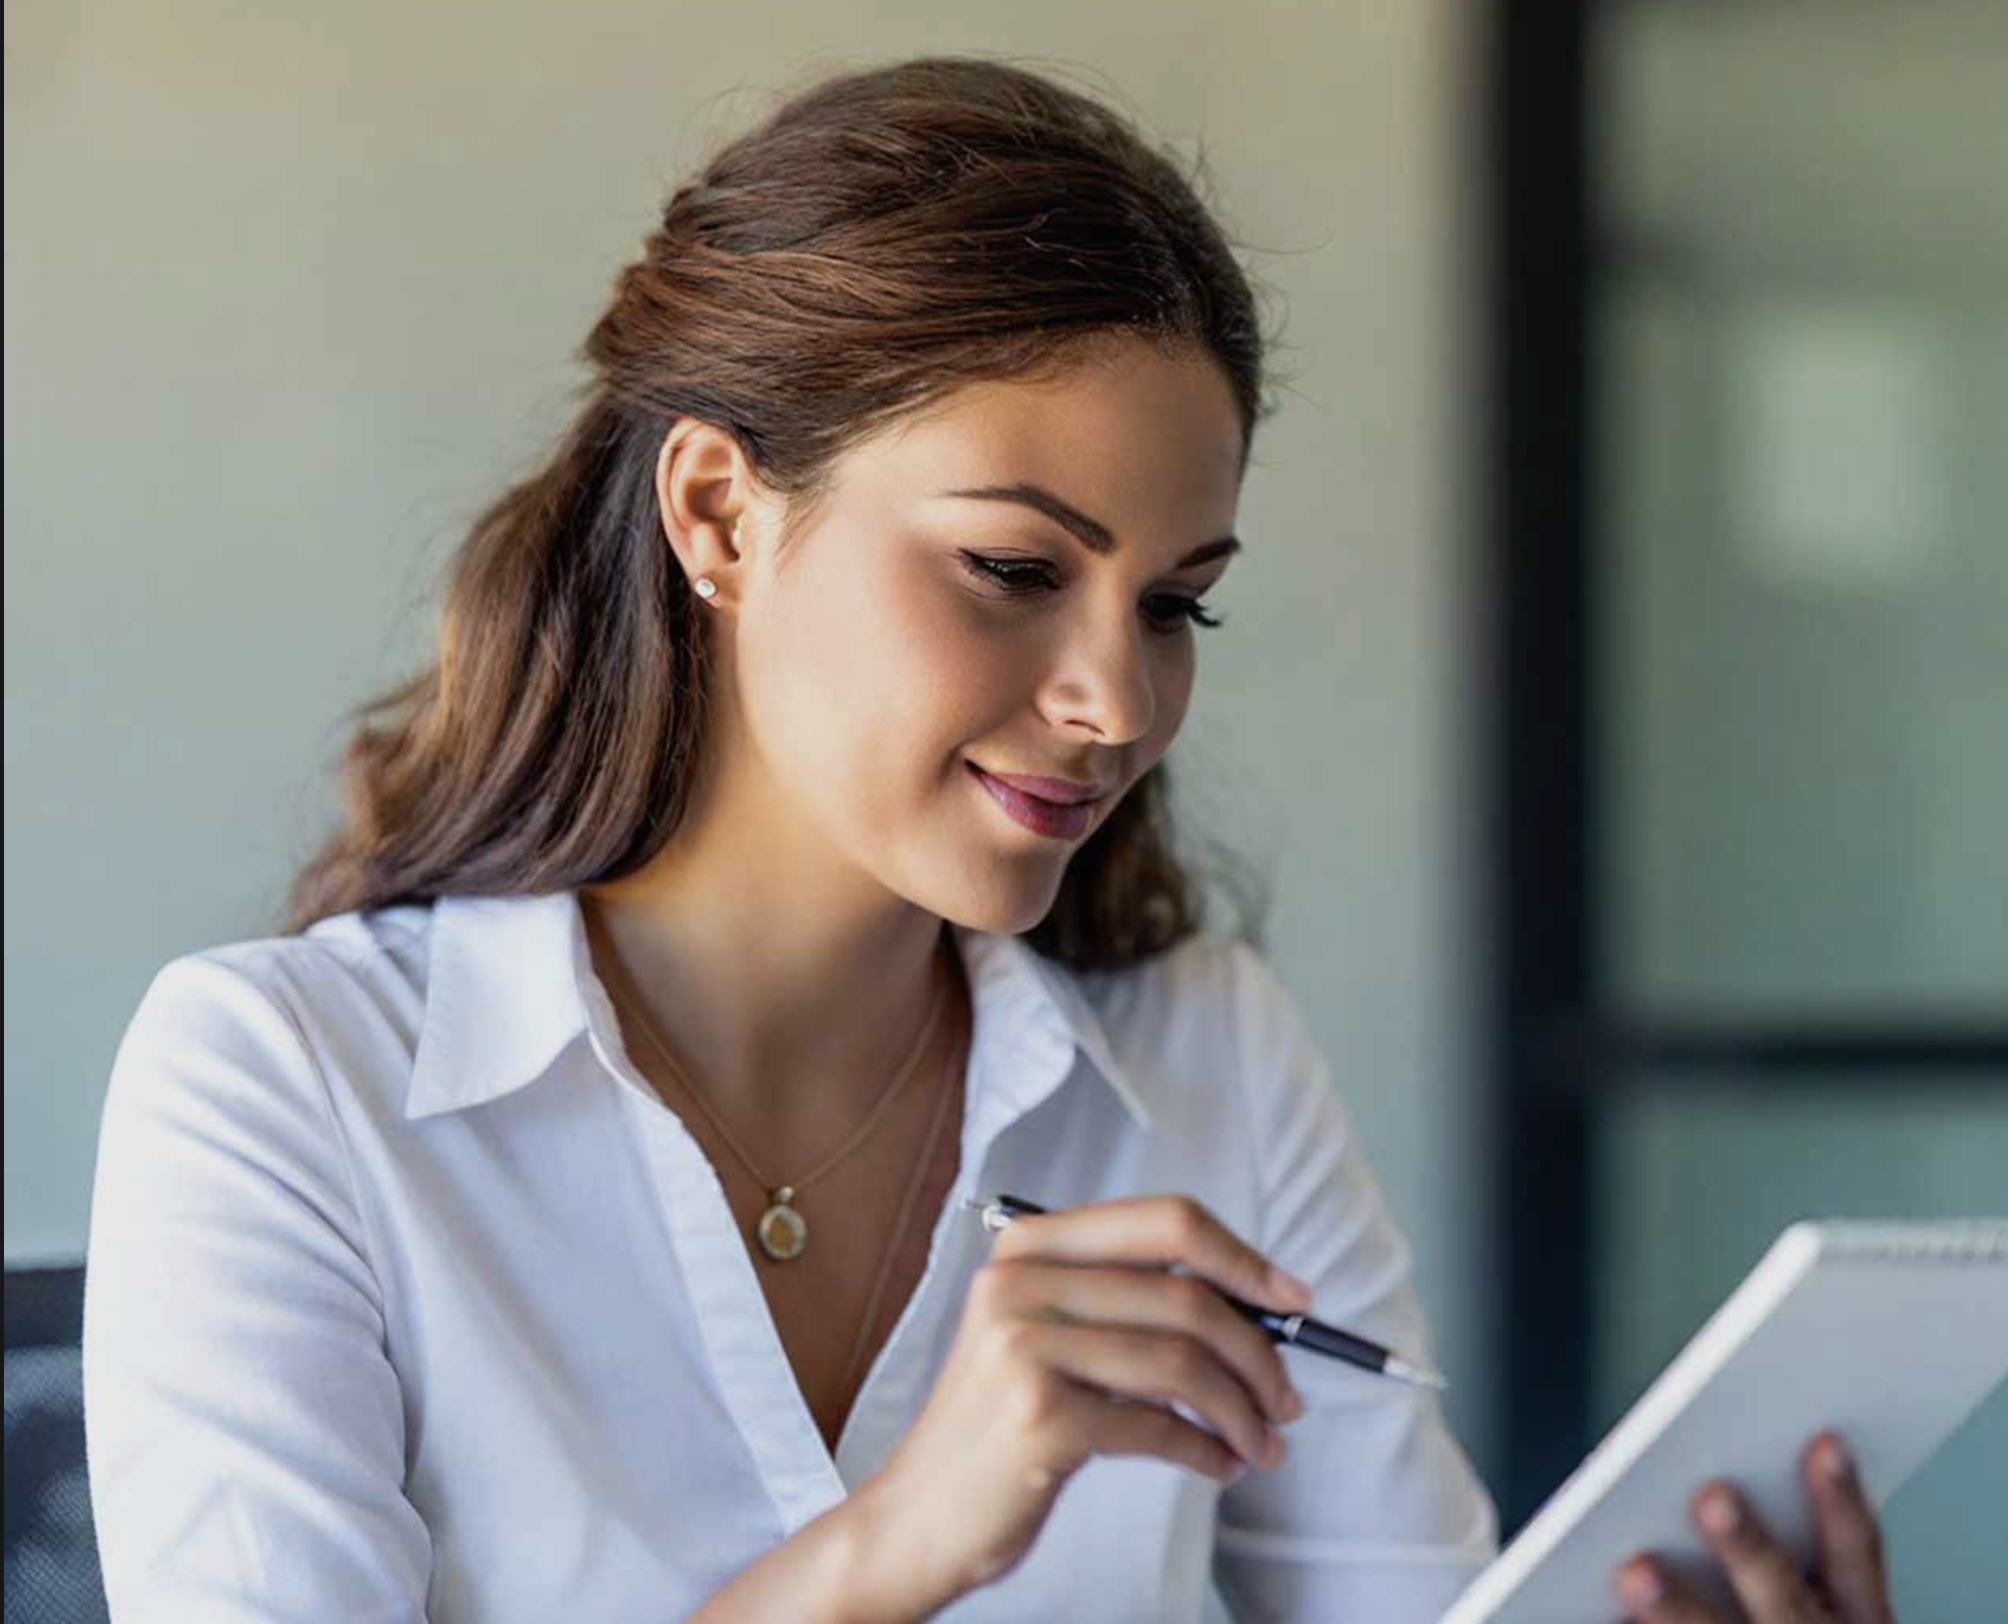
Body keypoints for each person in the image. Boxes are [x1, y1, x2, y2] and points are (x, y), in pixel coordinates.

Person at [79, 52, 1900, 1624]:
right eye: (1015, 570)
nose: (1120, 699)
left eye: (1179, 605)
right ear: (717, 512)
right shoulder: (283, 1089)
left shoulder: (1207, 1061)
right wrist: (891, 1556)